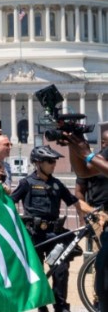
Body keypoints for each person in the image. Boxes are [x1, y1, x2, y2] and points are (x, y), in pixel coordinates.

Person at [12, 145, 78, 312]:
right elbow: (9, 202)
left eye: (54, 161)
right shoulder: (26, 183)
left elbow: (75, 201)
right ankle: (42, 306)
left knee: (61, 270)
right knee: (38, 271)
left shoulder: (57, 184)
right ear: (38, 163)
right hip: (33, 234)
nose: (53, 164)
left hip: (54, 234)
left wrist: (92, 211)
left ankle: (61, 306)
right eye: (50, 161)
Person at [64, 130, 108, 312]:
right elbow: (82, 171)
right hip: (101, 215)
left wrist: (86, 154)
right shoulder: (100, 158)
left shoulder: (97, 158)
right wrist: (73, 146)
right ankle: (100, 302)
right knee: (102, 266)